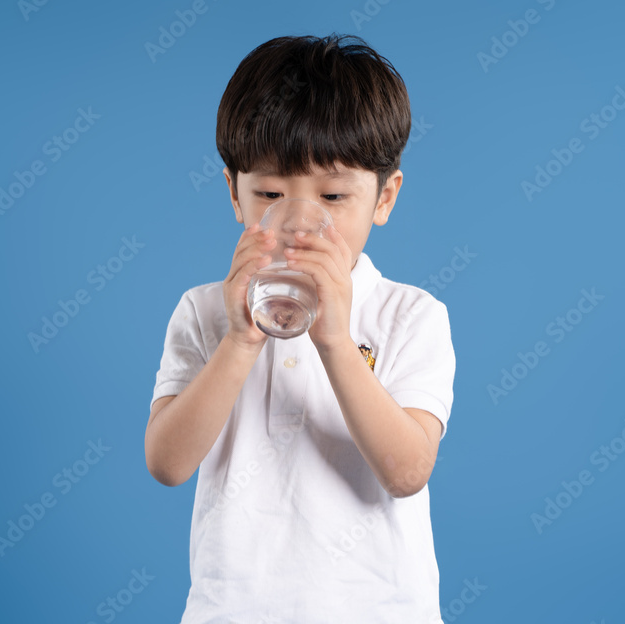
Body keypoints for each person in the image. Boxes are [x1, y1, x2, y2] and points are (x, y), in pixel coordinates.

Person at [146, 33, 456, 623]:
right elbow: (167, 463)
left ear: (384, 198)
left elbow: (407, 471)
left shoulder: (410, 315)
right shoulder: (205, 311)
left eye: (334, 195)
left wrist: (336, 340)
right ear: (234, 194)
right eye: (268, 193)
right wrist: (239, 341)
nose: (298, 223)